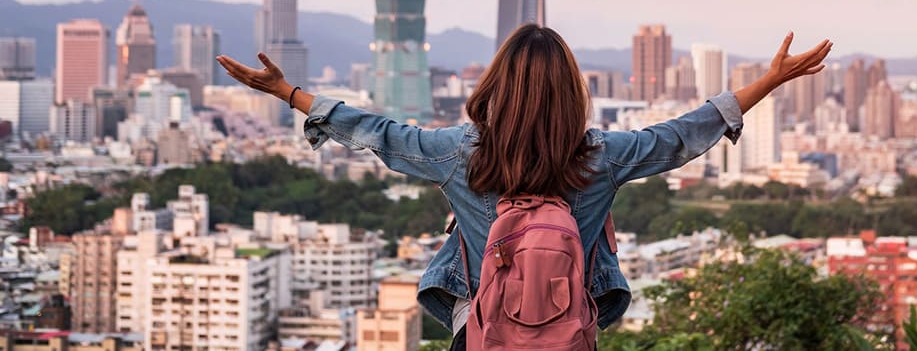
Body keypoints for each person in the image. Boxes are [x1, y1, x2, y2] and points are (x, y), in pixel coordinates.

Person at [218, 26, 831, 349]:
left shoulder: (459, 154)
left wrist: (286, 93)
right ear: (570, 92)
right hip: (567, 336)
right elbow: (680, 135)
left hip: (481, 338)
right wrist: (769, 81)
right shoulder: (600, 157)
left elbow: (379, 132)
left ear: (495, 86)